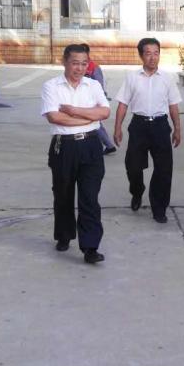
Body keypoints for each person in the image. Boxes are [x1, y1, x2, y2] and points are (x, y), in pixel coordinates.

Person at [41, 44, 111, 264]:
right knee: (63, 194)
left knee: (90, 197)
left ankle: (90, 247)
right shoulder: (51, 86)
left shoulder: (93, 85)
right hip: (64, 147)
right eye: (75, 63)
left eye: (84, 64)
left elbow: (105, 112)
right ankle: (64, 235)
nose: (79, 68)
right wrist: (89, 118)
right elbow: (54, 117)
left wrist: (73, 111)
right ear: (64, 62)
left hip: (91, 146)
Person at [112, 37, 182, 224]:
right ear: (141, 55)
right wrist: (117, 128)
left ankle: (159, 208)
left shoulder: (167, 78)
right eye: (148, 53)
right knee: (133, 166)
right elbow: (123, 104)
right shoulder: (132, 77)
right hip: (139, 126)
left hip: (160, 126)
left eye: (156, 53)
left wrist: (177, 129)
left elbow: (173, 105)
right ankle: (137, 191)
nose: (153, 57)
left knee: (163, 169)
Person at [84, 57, 117, 155]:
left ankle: (109, 145)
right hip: (85, 100)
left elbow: (99, 85)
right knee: (95, 124)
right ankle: (109, 145)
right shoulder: (84, 66)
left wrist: (99, 100)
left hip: (92, 101)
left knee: (95, 123)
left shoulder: (94, 67)